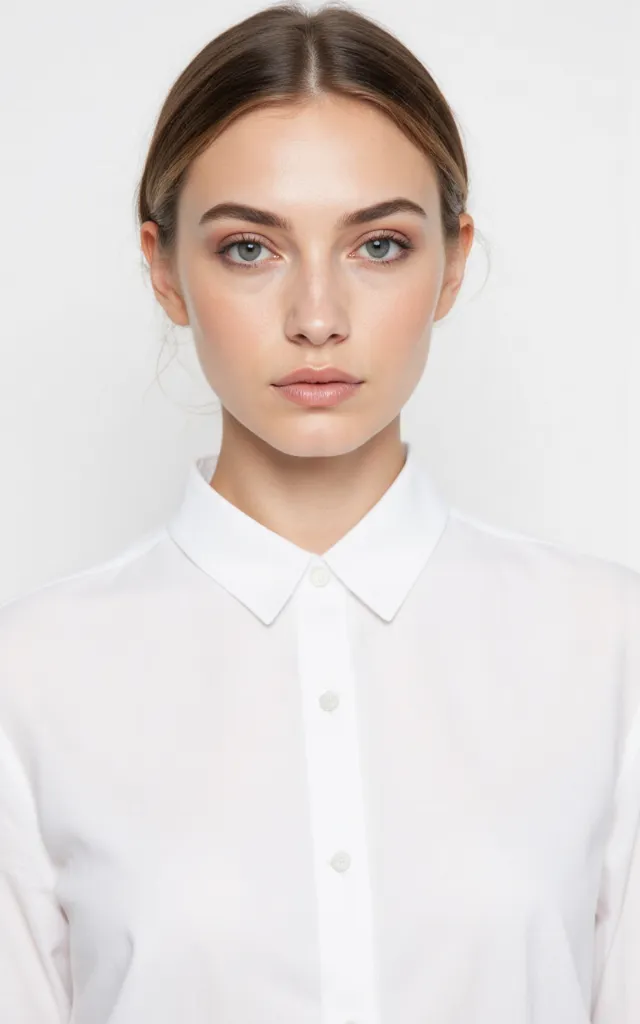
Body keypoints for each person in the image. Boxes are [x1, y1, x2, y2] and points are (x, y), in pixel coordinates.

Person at [0, 3, 638, 1022]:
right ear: (164, 268)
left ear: (452, 260)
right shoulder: (26, 680)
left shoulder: (609, 647)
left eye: (378, 244)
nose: (316, 317)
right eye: (249, 248)